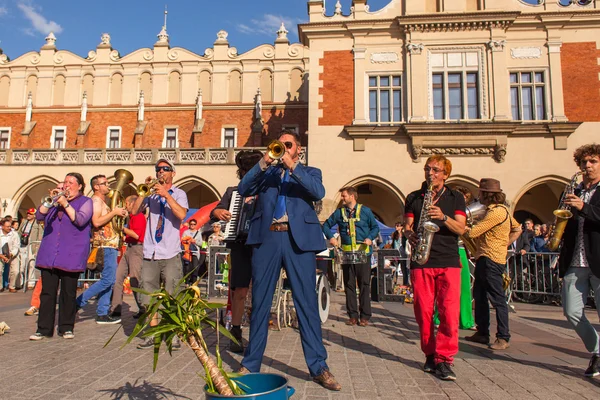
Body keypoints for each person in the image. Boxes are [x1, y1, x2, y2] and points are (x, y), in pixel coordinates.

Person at [237, 130, 341, 391]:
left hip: (299, 242)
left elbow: (317, 192)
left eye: (288, 144)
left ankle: (318, 367)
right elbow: (243, 188)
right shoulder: (267, 174)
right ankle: (251, 364)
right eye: (279, 144)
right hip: (268, 239)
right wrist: (263, 163)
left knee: (306, 304)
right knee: (260, 303)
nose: (282, 148)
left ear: (298, 149)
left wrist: (292, 167)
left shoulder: (310, 171)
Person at [404, 155, 466, 381]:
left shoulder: (455, 196)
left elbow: (461, 228)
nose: (431, 174)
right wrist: (409, 234)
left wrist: (443, 217)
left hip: (448, 260)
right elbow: (407, 226)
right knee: (423, 312)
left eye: (436, 170)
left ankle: (445, 359)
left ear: (446, 174)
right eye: (428, 169)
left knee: (449, 312)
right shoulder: (414, 197)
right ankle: (430, 355)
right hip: (422, 261)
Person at [132, 158, 189, 350]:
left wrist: (167, 195)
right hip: (151, 251)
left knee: (173, 294)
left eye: (165, 169)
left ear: (173, 173)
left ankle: (173, 333)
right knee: (148, 296)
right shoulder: (151, 195)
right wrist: (144, 190)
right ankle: (153, 333)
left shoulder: (180, 194)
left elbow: (181, 215)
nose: (160, 172)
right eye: (158, 169)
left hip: (170, 251)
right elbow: (134, 210)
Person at [211, 149, 263, 353]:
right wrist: (219, 212)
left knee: (260, 291)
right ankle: (236, 331)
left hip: (262, 246)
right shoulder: (233, 192)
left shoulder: (267, 192)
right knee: (239, 290)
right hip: (239, 244)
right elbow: (215, 212)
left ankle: (258, 333)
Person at [30, 173, 93, 340]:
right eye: (65, 182)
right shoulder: (55, 203)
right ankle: (43, 329)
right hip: (50, 253)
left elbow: (80, 220)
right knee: (47, 293)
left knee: (68, 292)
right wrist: (51, 200)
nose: (67, 185)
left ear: (79, 186)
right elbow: (39, 216)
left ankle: (66, 327)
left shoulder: (85, 202)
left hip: (71, 253)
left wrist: (65, 204)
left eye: (71, 182)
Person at [463, 179, 522, 350]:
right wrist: (504, 243)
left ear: (487, 195)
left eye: (480, 193)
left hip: (491, 259)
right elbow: (517, 229)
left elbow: (474, 232)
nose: (478, 196)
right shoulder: (502, 211)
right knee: (479, 296)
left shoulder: (496, 213)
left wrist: (465, 226)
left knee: (497, 300)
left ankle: (503, 337)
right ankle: (482, 333)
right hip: (485, 257)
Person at [558, 144, 600, 377]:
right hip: (575, 259)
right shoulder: (575, 190)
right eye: (584, 162)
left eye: (593, 161)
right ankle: (597, 349)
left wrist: (583, 207)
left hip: (598, 258)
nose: (587, 166)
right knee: (571, 311)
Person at [323, 186, 379, 327]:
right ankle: (352, 315)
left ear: (352, 196)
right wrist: (331, 237)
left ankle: (365, 316)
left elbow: (375, 228)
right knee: (349, 285)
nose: (342, 198)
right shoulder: (339, 212)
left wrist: (370, 238)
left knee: (364, 284)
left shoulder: (365, 211)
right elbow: (325, 225)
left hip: (363, 253)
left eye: (344, 196)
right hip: (347, 254)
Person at [75, 174, 127, 325]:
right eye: (104, 183)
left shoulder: (103, 201)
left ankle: (102, 312)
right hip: (104, 244)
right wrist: (114, 213)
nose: (108, 185)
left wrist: (118, 214)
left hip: (110, 244)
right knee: (107, 280)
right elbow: (96, 222)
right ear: (96, 187)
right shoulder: (96, 201)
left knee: (109, 281)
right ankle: (78, 302)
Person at [110, 195, 146, 319]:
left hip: (137, 248)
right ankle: (116, 308)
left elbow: (136, 235)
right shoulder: (131, 217)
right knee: (118, 277)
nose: (125, 206)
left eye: (126, 203)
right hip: (130, 247)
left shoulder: (138, 216)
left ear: (132, 204)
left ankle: (143, 307)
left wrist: (122, 229)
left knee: (135, 280)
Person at [20, 207, 44, 289]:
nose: (28, 215)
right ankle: (21, 282)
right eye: (28, 213)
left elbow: (40, 236)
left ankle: (31, 282)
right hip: (23, 244)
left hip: (32, 245)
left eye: (30, 214)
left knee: (31, 263)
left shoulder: (37, 224)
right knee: (22, 264)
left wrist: (37, 248)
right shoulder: (24, 222)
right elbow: (19, 232)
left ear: (34, 215)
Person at [0, 217, 20, 292]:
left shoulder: (14, 234)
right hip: (1, 254)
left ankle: (12, 286)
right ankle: (0, 286)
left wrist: (11, 254)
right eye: (7, 227)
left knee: (15, 271)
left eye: (10, 226)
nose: (9, 228)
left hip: (12, 254)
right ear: (2, 226)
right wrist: (1, 256)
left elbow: (16, 246)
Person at [181, 218, 202, 284]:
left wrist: (195, 241)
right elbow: (182, 241)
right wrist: (188, 241)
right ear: (189, 225)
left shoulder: (198, 233)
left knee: (195, 268)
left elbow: (201, 243)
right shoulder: (186, 232)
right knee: (187, 268)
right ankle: (186, 282)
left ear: (196, 225)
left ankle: (194, 283)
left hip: (195, 253)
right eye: (191, 224)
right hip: (187, 253)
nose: (192, 225)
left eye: (194, 224)